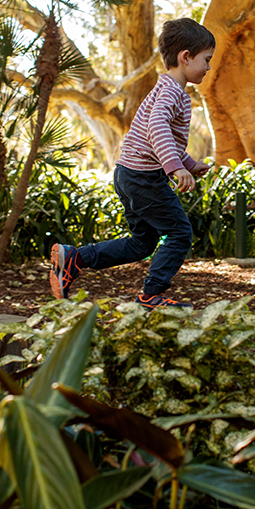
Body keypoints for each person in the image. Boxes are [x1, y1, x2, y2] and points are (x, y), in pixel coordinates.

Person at [50, 17, 214, 310]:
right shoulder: (171, 92)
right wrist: (175, 168)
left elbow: (164, 140)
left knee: (142, 243)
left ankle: (76, 257)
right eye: (206, 60)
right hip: (143, 178)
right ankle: (152, 295)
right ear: (185, 57)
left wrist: (188, 163)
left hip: (129, 174)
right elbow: (157, 127)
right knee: (179, 233)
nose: (209, 67)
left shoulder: (169, 90)